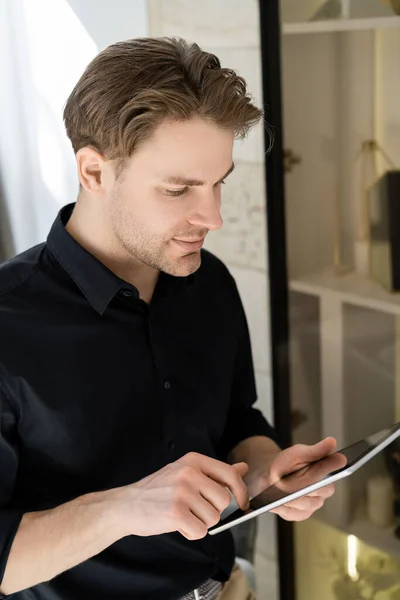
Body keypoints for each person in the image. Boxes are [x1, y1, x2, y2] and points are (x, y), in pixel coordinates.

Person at [0, 37, 337, 600]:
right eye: (179, 189)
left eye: (218, 183)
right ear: (93, 171)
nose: (213, 218)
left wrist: (267, 471)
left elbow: (234, 421)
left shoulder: (209, 283)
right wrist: (126, 507)